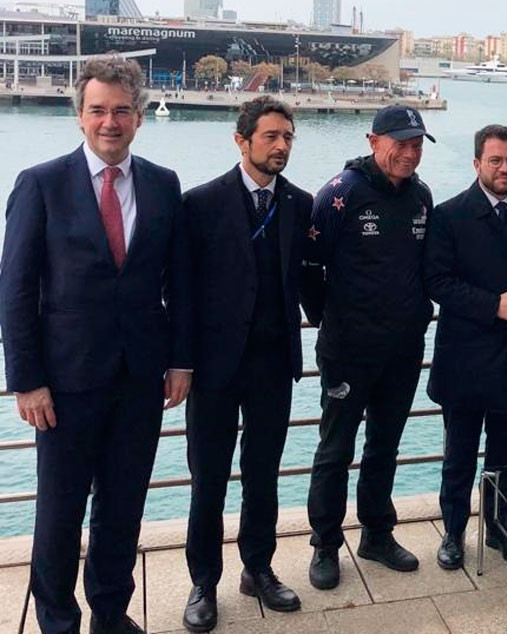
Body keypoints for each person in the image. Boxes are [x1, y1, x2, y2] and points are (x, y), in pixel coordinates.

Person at [0, 55, 192, 634]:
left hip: (140, 379)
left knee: (123, 507)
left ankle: (111, 613)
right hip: (62, 384)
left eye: (122, 111)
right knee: (59, 513)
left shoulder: (162, 184)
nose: (110, 121)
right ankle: (58, 620)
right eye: (98, 110)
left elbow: (177, 282)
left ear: (138, 117)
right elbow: (14, 289)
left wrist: (180, 359)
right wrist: (26, 379)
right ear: (79, 116)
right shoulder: (40, 184)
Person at [179, 96, 313, 631]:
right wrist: (181, 362)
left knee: (263, 475)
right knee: (207, 478)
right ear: (242, 141)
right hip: (212, 368)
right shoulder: (201, 203)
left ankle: (257, 567)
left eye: (287, 138)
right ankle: (202, 581)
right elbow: (181, 292)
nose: (281, 146)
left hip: (273, 364)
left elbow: (309, 278)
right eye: (271, 137)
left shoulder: (300, 203)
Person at [300, 105, 435, 589]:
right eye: (400, 142)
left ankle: (377, 533)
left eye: (417, 144)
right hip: (348, 349)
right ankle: (324, 545)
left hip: (402, 348)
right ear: (373, 141)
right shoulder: (340, 194)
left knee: (385, 445)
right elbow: (309, 268)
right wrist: (330, 321)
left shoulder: (421, 196)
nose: (409, 152)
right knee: (335, 449)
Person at [424, 125, 507, 570]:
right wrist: (492, 305)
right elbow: (437, 282)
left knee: (504, 454)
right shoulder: (448, 215)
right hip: (466, 357)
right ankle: (454, 533)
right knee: (459, 455)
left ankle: (498, 526)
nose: (505, 168)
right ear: (477, 163)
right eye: (496, 160)